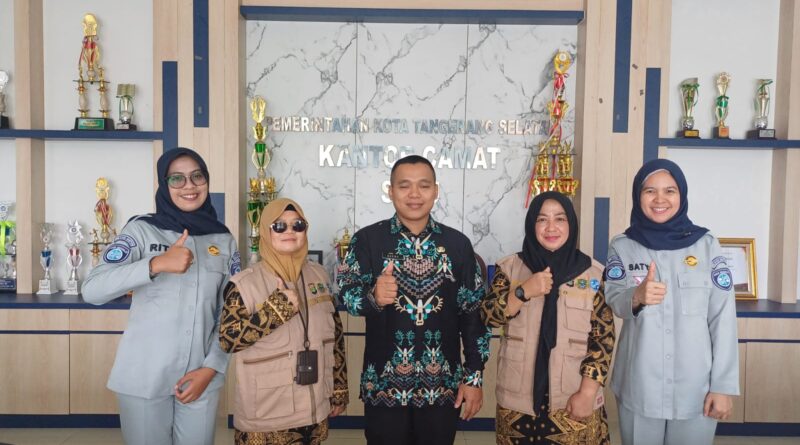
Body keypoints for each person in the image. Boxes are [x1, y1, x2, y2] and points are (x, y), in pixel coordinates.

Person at [82, 147, 239, 445]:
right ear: (164, 185)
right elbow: (93, 290)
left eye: (197, 176)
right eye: (177, 178)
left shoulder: (223, 239)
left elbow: (230, 314)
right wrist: (155, 264)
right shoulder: (141, 230)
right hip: (144, 377)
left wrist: (211, 368)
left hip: (199, 377)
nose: (189, 186)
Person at [337, 155, 491, 445]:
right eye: (404, 185)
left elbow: (473, 317)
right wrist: (372, 297)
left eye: (424, 185)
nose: (414, 194)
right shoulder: (368, 240)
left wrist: (474, 378)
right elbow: (346, 293)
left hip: (442, 389)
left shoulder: (457, 245)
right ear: (390, 191)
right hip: (384, 388)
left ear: (436, 191)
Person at [605, 159, 739, 445]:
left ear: (682, 195)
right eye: (650, 191)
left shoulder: (706, 245)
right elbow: (613, 299)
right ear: (638, 196)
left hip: (696, 389)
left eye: (670, 190)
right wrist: (636, 296)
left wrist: (723, 386)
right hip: (639, 386)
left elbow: (723, 318)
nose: (660, 199)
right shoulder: (622, 245)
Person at [482, 191, 615, 445]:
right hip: (517, 405)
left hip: (573, 399)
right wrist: (522, 292)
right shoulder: (509, 268)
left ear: (571, 224)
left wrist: (587, 393)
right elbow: (489, 317)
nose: (551, 227)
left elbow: (603, 340)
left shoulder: (593, 274)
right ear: (531, 225)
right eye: (542, 219)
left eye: (560, 219)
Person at [219, 198, 348, 445]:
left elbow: (336, 335)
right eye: (279, 226)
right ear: (266, 232)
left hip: (314, 407)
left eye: (298, 225)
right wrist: (274, 311)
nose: (290, 231)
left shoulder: (319, 275)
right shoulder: (244, 284)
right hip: (268, 414)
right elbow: (228, 340)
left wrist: (339, 389)